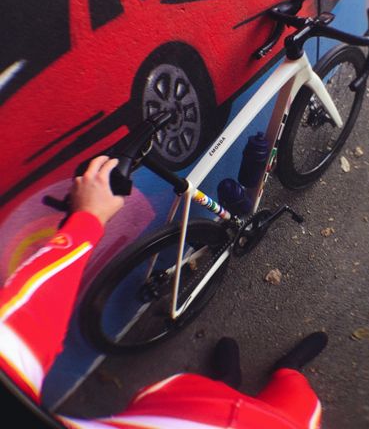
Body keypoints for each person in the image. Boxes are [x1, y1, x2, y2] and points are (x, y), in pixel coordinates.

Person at [0, 156, 328, 429]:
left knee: (205, 390)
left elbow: (17, 333)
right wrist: (87, 218)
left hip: (177, 407)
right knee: (302, 402)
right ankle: (287, 368)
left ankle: (227, 380)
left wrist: (87, 220)